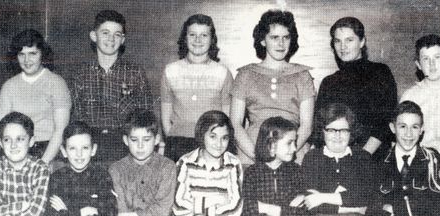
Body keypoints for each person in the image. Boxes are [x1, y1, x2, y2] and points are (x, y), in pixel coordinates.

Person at [230, 9, 315, 165]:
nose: (281, 44)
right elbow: (235, 124)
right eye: (274, 37)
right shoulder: (245, 74)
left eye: (286, 37)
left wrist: (287, 153)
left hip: (293, 153)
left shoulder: (302, 75)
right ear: (263, 40)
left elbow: (307, 126)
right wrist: (258, 156)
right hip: (252, 153)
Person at [71, 10, 153, 164]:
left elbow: (146, 117)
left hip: (125, 147)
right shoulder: (81, 73)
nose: (111, 39)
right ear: (94, 36)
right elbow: (75, 116)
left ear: (123, 40)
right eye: (105, 33)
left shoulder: (135, 72)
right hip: (89, 148)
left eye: (117, 34)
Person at [314, 17, 397, 155]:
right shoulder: (328, 82)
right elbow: (319, 128)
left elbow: (385, 122)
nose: (343, 47)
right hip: (335, 160)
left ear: (362, 42)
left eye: (349, 40)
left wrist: (361, 158)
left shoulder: (380, 72)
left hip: (372, 158)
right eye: (338, 41)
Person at [161, 14, 233, 161]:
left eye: (204, 35)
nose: (197, 40)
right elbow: (165, 119)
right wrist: (176, 138)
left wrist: (213, 141)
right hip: (177, 145)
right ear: (185, 38)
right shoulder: (170, 70)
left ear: (212, 39)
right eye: (192, 34)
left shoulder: (222, 72)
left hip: (212, 145)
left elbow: (227, 118)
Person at [0, 29, 71, 165]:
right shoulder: (8, 86)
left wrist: (43, 163)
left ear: (42, 54)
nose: (27, 60)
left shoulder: (56, 83)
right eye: (21, 54)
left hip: (49, 152)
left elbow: (60, 130)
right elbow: (0, 130)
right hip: (16, 151)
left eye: (32, 54)